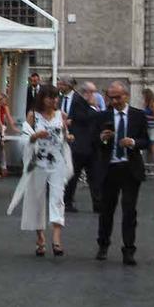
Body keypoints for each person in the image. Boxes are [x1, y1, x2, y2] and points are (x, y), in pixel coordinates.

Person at [8, 85, 70, 257]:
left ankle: (56, 238)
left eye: (56, 97)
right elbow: (24, 138)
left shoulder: (61, 115)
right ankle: (40, 237)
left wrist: (69, 137)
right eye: (50, 97)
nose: (54, 100)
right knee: (36, 199)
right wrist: (35, 136)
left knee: (58, 197)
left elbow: (64, 135)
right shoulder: (33, 115)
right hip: (38, 161)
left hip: (57, 160)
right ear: (42, 99)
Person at [93, 81, 150, 265]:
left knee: (129, 210)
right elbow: (93, 141)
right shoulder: (102, 116)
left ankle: (129, 249)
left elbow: (146, 141)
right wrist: (102, 138)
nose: (114, 101)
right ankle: (103, 244)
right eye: (111, 98)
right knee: (106, 210)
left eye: (118, 97)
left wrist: (133, 142)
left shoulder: (138, 116)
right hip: (109, 167)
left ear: (126, 96)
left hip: (130, 168)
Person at [58, 77, 97, 213]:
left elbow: (86, 119)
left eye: (62, 84)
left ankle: (97, 203)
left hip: (82, 143)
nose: (59, 86)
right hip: (70, 140)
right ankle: (66, 201)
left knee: (89, 175)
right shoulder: (63, 100)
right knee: (71, 174)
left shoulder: (80, 101)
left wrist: (70, 120)